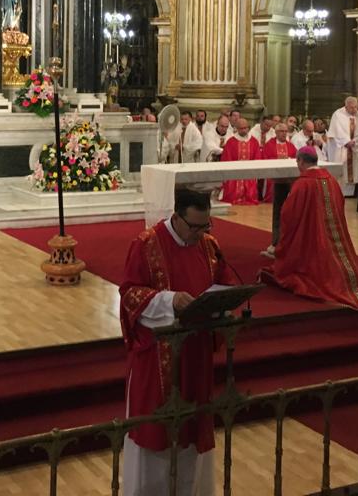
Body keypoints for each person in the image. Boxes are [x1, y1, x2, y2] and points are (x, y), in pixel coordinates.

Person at [119, 188, 236, 496]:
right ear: (177, 215)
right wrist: (169, 301)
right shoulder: (147, 244)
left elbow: (224, 281)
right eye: (194, 226)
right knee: (156, 433)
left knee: (192, 433)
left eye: (206, 225)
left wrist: (225, 302)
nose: (200, 233)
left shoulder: (209, 246)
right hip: (158, 359)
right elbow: (129, 295)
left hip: (196, 357)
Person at [261, 147, 358, 310]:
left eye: (297, 162)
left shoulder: (302, 184)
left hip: (311, 236)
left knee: (312, 268)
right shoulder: (331, 180)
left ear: (301, 161)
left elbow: (289, 215)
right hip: (333, 235)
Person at [325, 97, 358, 197]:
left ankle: (351, 194)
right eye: (351, 108)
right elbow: (337, 131)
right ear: (346, 107)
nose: (354, 110)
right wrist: (346, 142)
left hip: (354, 147)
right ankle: (338, 193)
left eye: (356, 107)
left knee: (354, 171)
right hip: (341, 148)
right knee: (342, 172)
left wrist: (355, 141)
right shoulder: (338, 114)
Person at [219, 118, 259, 205]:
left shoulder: (254, 141)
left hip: (249, 171)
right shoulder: (231, 142)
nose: (244, 130)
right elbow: (227, 158)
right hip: (234, 172)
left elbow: (257, 157)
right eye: (241, 128)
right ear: (236, 128)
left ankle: (248, 197)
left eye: (245, 128)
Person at [260, 123, 298, 206]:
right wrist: (277, 159)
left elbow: (296, 160)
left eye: (285, 131)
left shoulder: (291, 146)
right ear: (276, 132)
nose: (284, 133)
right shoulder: (269, 145)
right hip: (273, 175)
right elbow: (264, 160)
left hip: (288, 175)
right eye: (281, 131)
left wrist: (288, 159)